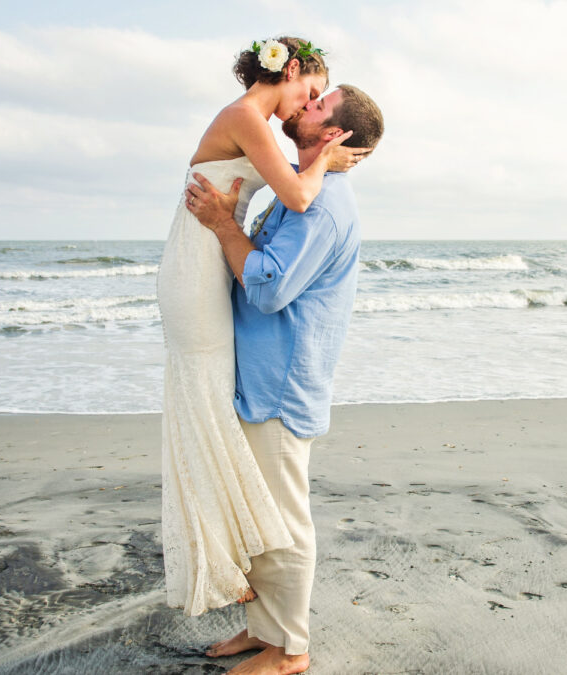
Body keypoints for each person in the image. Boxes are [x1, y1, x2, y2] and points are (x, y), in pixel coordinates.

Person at [156, 37, 369, 620]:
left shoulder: (264, 131)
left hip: (206, 261)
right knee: (205, 411)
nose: (308, 103)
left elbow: (298, 209)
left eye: (320, 103)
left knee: (209, 415)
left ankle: (236, 577)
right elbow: (299, 192)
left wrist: (323, 159)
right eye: (312, 90)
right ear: (291, 69)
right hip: (198, 267)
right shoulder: (245, 117)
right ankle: (225, 565)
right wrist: (325, 158)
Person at [184, 84, 384, 675]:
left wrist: (223, 224)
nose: (304, 105)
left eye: (320, 106)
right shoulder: (305, 191)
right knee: (260, 509)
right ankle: (264, 629)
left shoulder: (321, 205)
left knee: (283, 519)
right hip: (265, 376)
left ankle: (289, 650)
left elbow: (268, 287)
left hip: (281, 384)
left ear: (334, 135)